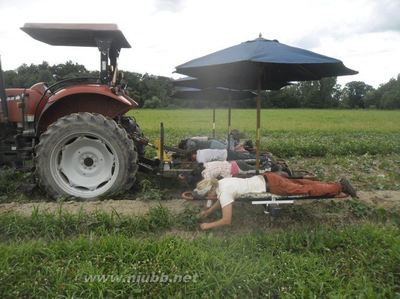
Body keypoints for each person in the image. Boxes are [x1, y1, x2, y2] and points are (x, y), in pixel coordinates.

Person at [195, 173, 357, 230]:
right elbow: (223, 202)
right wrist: (209, 212)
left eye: (207, 195)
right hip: (267, 177)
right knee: (303, 184)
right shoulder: (222, 183)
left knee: (306, 190)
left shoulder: (223, 193)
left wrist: (208, 225)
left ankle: (340, 186)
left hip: (273, 186)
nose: (209, 198)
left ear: (210, 190)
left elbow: (226, 220)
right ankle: (336, 184)